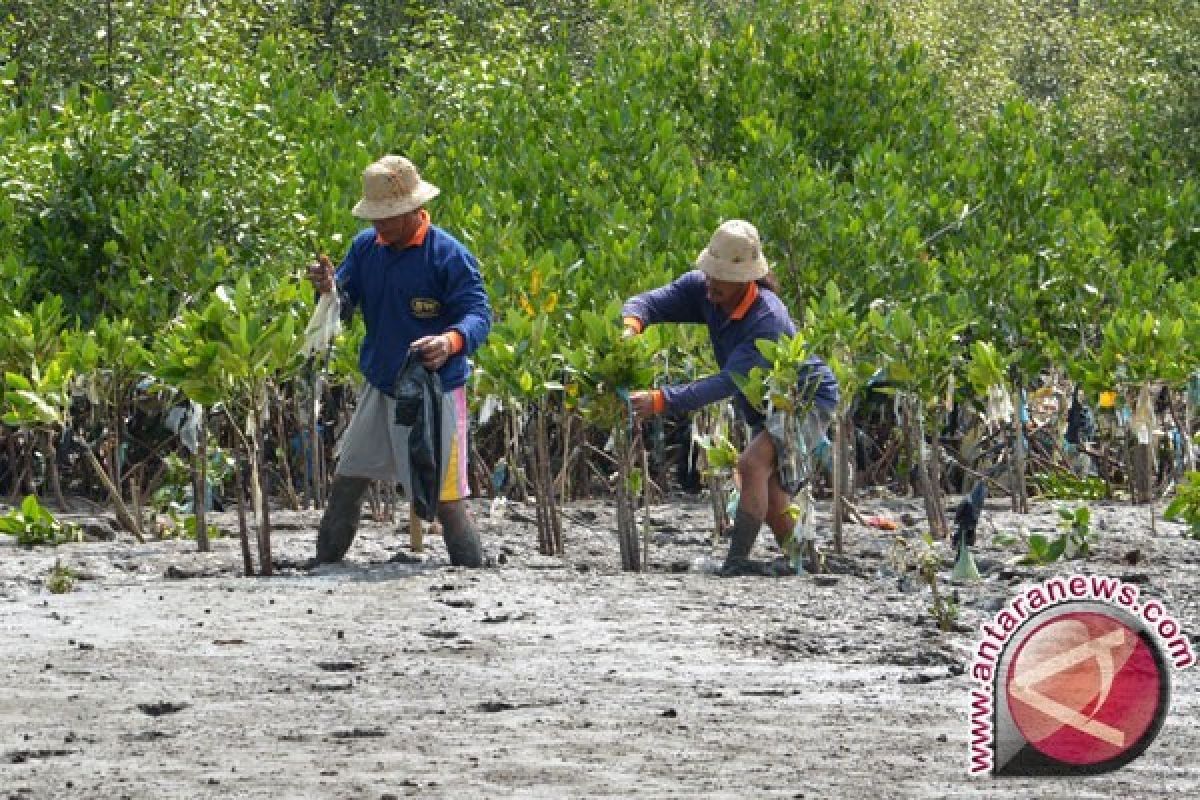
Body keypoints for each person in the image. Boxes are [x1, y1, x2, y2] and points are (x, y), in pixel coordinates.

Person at [621, 219, 839, 576]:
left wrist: (661, 400)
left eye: (720, 276)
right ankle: (803, 562)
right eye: (709, 272)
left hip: (806, 396)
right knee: (767, 485)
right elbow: (647, 303)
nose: (710, 282)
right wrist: (631, 329)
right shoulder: (705, 289)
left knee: (751, 465)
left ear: (745, 280)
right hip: (766, 398)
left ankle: (736, 561)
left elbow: (727, 382)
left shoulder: (767, 320)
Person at [307, 155, 492, 567]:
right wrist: (327, 288)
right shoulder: (366, 247)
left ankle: (474, 578)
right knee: (347, 481)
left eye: (388, 217)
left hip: (435, 388)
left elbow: (480, 315)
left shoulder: (448, 254)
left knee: (445, 502)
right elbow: (345, 304)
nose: (379, 226)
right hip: (380, 381)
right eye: (375, 218)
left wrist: (450, 340)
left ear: (413, 210)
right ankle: (323, 568)